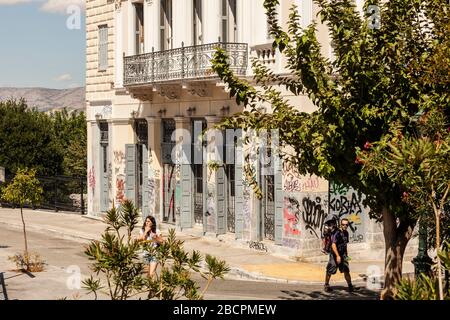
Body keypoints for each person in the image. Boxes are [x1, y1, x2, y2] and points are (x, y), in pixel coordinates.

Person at [324, 218, 355, 293]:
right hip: (334, 254)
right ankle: (326, 285)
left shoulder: (346, 233)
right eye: (343, 224)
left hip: (343, 254)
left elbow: (345, 245)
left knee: (346, 270)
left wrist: (346, 256)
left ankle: (350, 286)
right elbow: (333, 245)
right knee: (330, 270)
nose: (345, 226)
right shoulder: (336, 233)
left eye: (346, 225)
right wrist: (337, 256)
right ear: (340, 224)